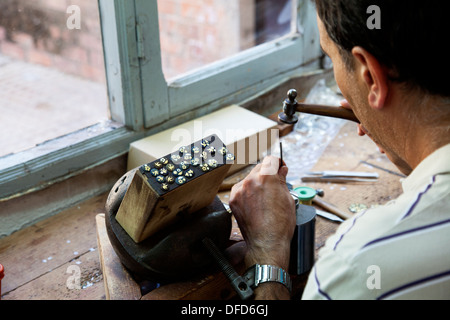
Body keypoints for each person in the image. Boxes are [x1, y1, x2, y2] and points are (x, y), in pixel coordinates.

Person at [229, 0, 450, 300]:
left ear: (370, 76)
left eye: (329, 55)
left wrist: (269, 256)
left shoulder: (359, 266)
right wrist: (406, 145)